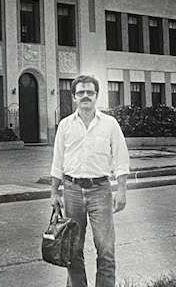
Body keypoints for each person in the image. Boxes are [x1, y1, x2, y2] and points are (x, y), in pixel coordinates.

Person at [50, 74, 130, 287]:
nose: (85, 96)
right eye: (81, 92)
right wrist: (54, 193)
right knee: (73, 249)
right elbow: (58, 161)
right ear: (74, 97)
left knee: (105, 248)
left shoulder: (110, 124)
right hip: (72, 190)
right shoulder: (65, 125)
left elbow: (121, 158)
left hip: (100, 190)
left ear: (97, 96)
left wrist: (121, 190)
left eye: (90, 92)